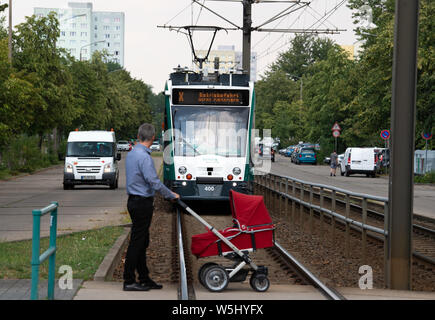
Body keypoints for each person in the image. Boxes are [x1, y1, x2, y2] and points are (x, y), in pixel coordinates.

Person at [123, 123, 179, 291]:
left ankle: (144, 278)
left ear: (139, 135)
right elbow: (153, 181)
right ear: (153, 137)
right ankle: (129, 281)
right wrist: (171, 195)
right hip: (141, 203)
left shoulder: (132, 154)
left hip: (134, 201)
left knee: (142, 241)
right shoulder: (144, 157)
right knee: (137, 242)